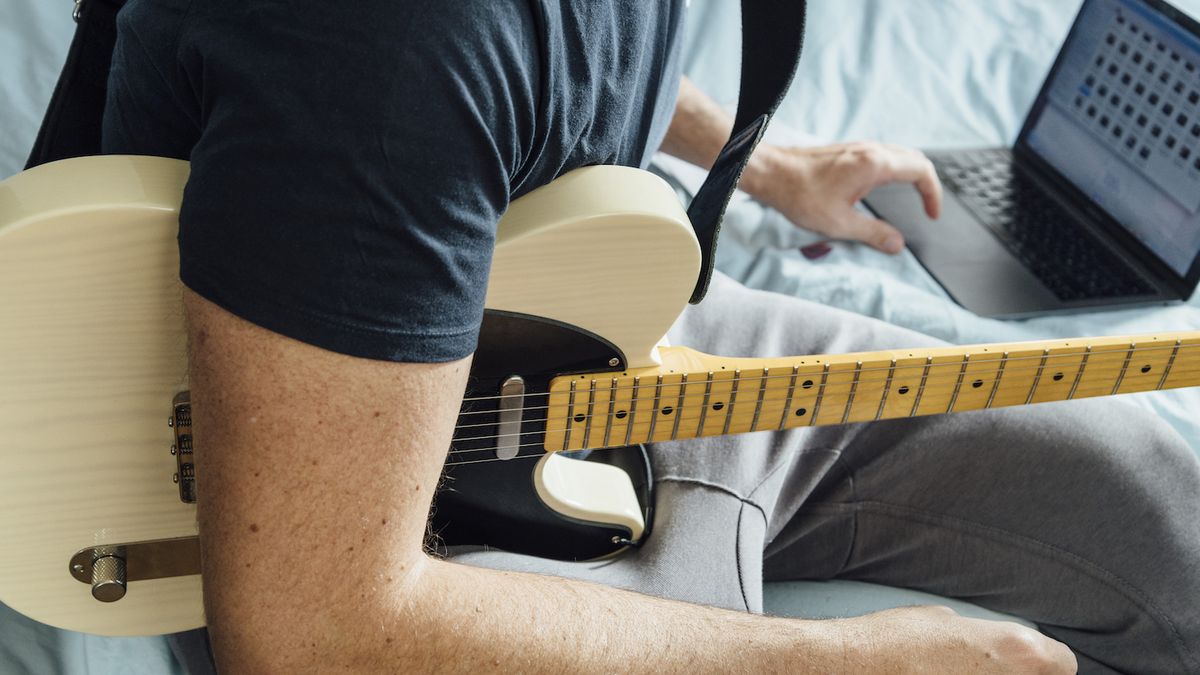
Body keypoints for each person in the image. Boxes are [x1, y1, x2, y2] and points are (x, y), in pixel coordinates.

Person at [100, 1, 1199, 673]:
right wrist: (835, 665)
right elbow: (312, 637)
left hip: (563, 326)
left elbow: (562, 47)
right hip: (340, 484)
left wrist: (771, 164)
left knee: (1162, 497)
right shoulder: (389, 48)